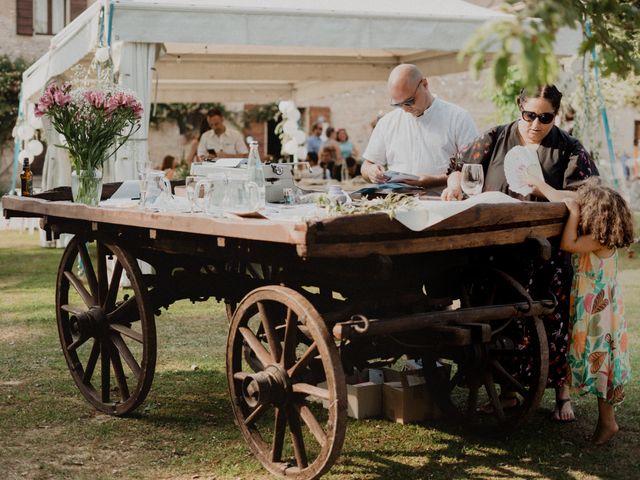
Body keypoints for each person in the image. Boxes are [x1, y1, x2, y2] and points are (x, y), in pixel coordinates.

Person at [442, 85, 600, 421]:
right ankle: (509, 392)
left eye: (546, 117)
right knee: (502, 323)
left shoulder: (569, 149)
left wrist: (545, 189)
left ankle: (562, 395)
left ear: (555, 116)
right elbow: (459, 164)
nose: (536, 124)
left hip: (548, 254)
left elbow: (584, 196)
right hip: (496, 252)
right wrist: (454, 183)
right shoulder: (495, 137)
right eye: (530, 115)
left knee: (554, 320)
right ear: (520, 108)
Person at [526, 176, 633, 444]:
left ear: (597, 217)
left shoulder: (597, 241)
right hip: (600, 312)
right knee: (601, 366)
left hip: (599, 317)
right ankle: (606, 421)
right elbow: (569, 197)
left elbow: (567, 244)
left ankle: (608, 422)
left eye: (586, 211)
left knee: (602, 366)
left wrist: (572, 212)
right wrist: (543, 187)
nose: (581, 212)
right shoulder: (606, 237)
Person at [361, 63, 477, 190]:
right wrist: (371, 171)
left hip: (444, 202)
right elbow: (366, 166)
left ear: (425, 84)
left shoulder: (458, 118)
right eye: (398, 104)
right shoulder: (387, 122)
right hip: (397, 203)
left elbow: (474, 170)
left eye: (409, 101)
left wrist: (435, 180)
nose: (405, 109)